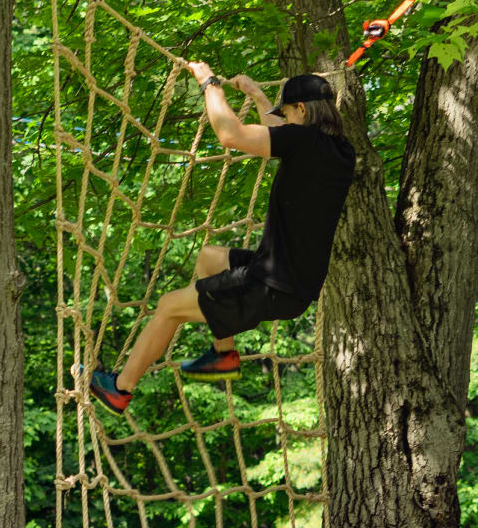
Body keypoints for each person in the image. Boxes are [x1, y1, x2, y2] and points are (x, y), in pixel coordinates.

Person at [89, 61, 356, 415]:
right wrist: (260, 97)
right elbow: (280, 132)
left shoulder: (303, 140)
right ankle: (223, 354)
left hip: (271, 284)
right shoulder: (338, 150)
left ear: (302, 110)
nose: (285, 119)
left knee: (169, 306)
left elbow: (230, 135)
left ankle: (120, 390)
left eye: (288, 112)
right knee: (210, 258)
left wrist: (208, 83)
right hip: (292, 279)